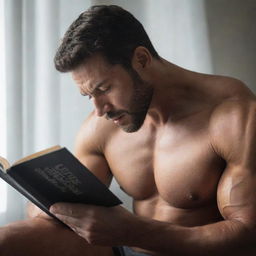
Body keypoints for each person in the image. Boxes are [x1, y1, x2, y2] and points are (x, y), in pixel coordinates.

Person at [1, 4, 256, 256]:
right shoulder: (103, 127)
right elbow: (64, 213)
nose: (100, 110)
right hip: (126, 248)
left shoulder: (233, 116)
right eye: (88, 95)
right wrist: (43, 203)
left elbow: (248, 235)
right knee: (9, 239)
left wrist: (134, 231)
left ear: (141, 60)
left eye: (103, 89)